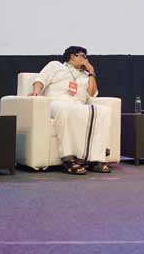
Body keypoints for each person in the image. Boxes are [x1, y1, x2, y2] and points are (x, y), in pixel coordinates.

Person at [29, 46, 112, 175]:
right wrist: (35, 92)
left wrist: (91, 73)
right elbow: (40, 80)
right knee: (66, 109)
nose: (86, 60)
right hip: (56, 102)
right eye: (83, 56)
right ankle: (68, 159)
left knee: (103, 111)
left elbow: (91, 94)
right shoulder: (56, 66)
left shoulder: (85, 75)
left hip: (78, 105)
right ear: (73, 56)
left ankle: (95, 159)